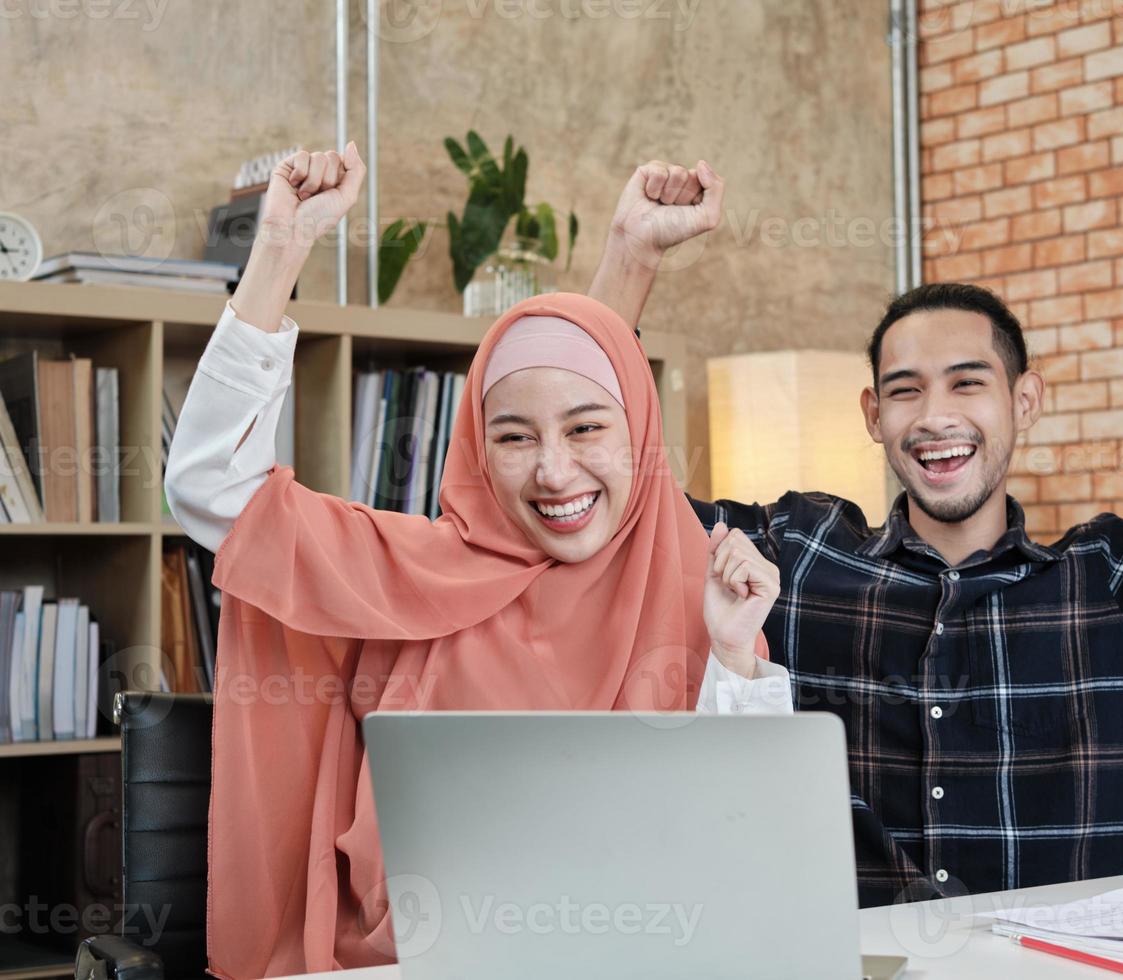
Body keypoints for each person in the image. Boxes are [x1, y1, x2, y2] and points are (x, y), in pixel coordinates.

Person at [586, 90, 1123, 907]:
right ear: (873, 415)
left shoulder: (1111, 585)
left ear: (1023, 402)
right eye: (905, 391)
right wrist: (632, 254)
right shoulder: (795, 558)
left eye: (968, 383)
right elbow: (611, 498)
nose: (935, 418)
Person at [163, 142, 791, 978]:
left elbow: (751, 857)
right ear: (474, 449)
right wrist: (280, 244)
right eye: (513, 437)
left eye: (587, 431)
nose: (552, 470)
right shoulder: (407, 573)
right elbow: (212, 485)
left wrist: (736, 658)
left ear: (638, 434)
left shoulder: (695, 597)